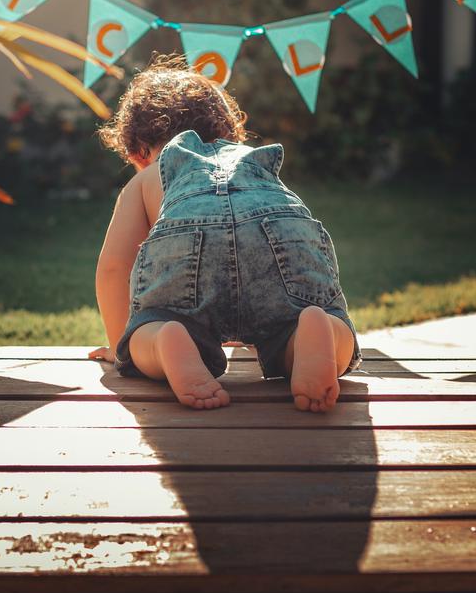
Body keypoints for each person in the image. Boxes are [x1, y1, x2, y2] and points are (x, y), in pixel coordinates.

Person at [88, 55, 361, 413]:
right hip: (277, 231)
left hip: (189, 250)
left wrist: (122, 342)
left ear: (139, 152)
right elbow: (258, 231)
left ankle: (162, 341)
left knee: (149, 332)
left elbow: (114, 268)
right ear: (229, 132)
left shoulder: (147, 177)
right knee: (298, 327)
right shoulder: (249, 159)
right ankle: (318, 328)